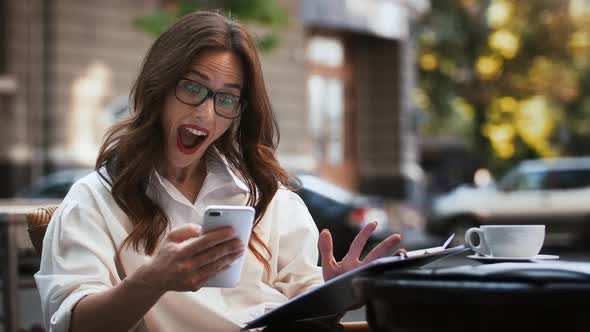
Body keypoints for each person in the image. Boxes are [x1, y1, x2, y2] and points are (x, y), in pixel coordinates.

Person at [34, 10, 402, 332]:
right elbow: (74, 324)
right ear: (157, 87)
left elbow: (304, 309)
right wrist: (152, 281)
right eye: (193, 88)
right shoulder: (94, 200)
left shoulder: (268, 198)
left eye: (226, 98)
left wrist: (335, 290)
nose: (206, 114)